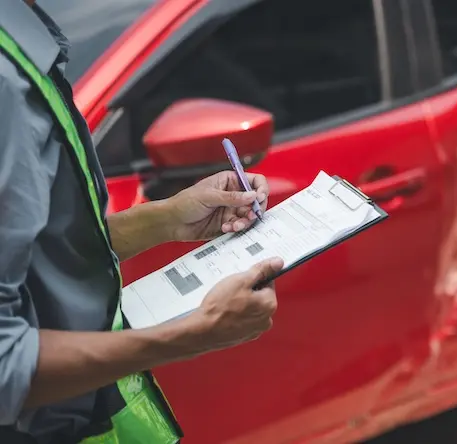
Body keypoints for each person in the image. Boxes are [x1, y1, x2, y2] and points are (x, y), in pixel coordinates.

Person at [0, 0, 285, 442]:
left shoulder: (19, 42)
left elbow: (39, 265)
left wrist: (169, 218)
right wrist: (196, 333)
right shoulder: (4, 82)